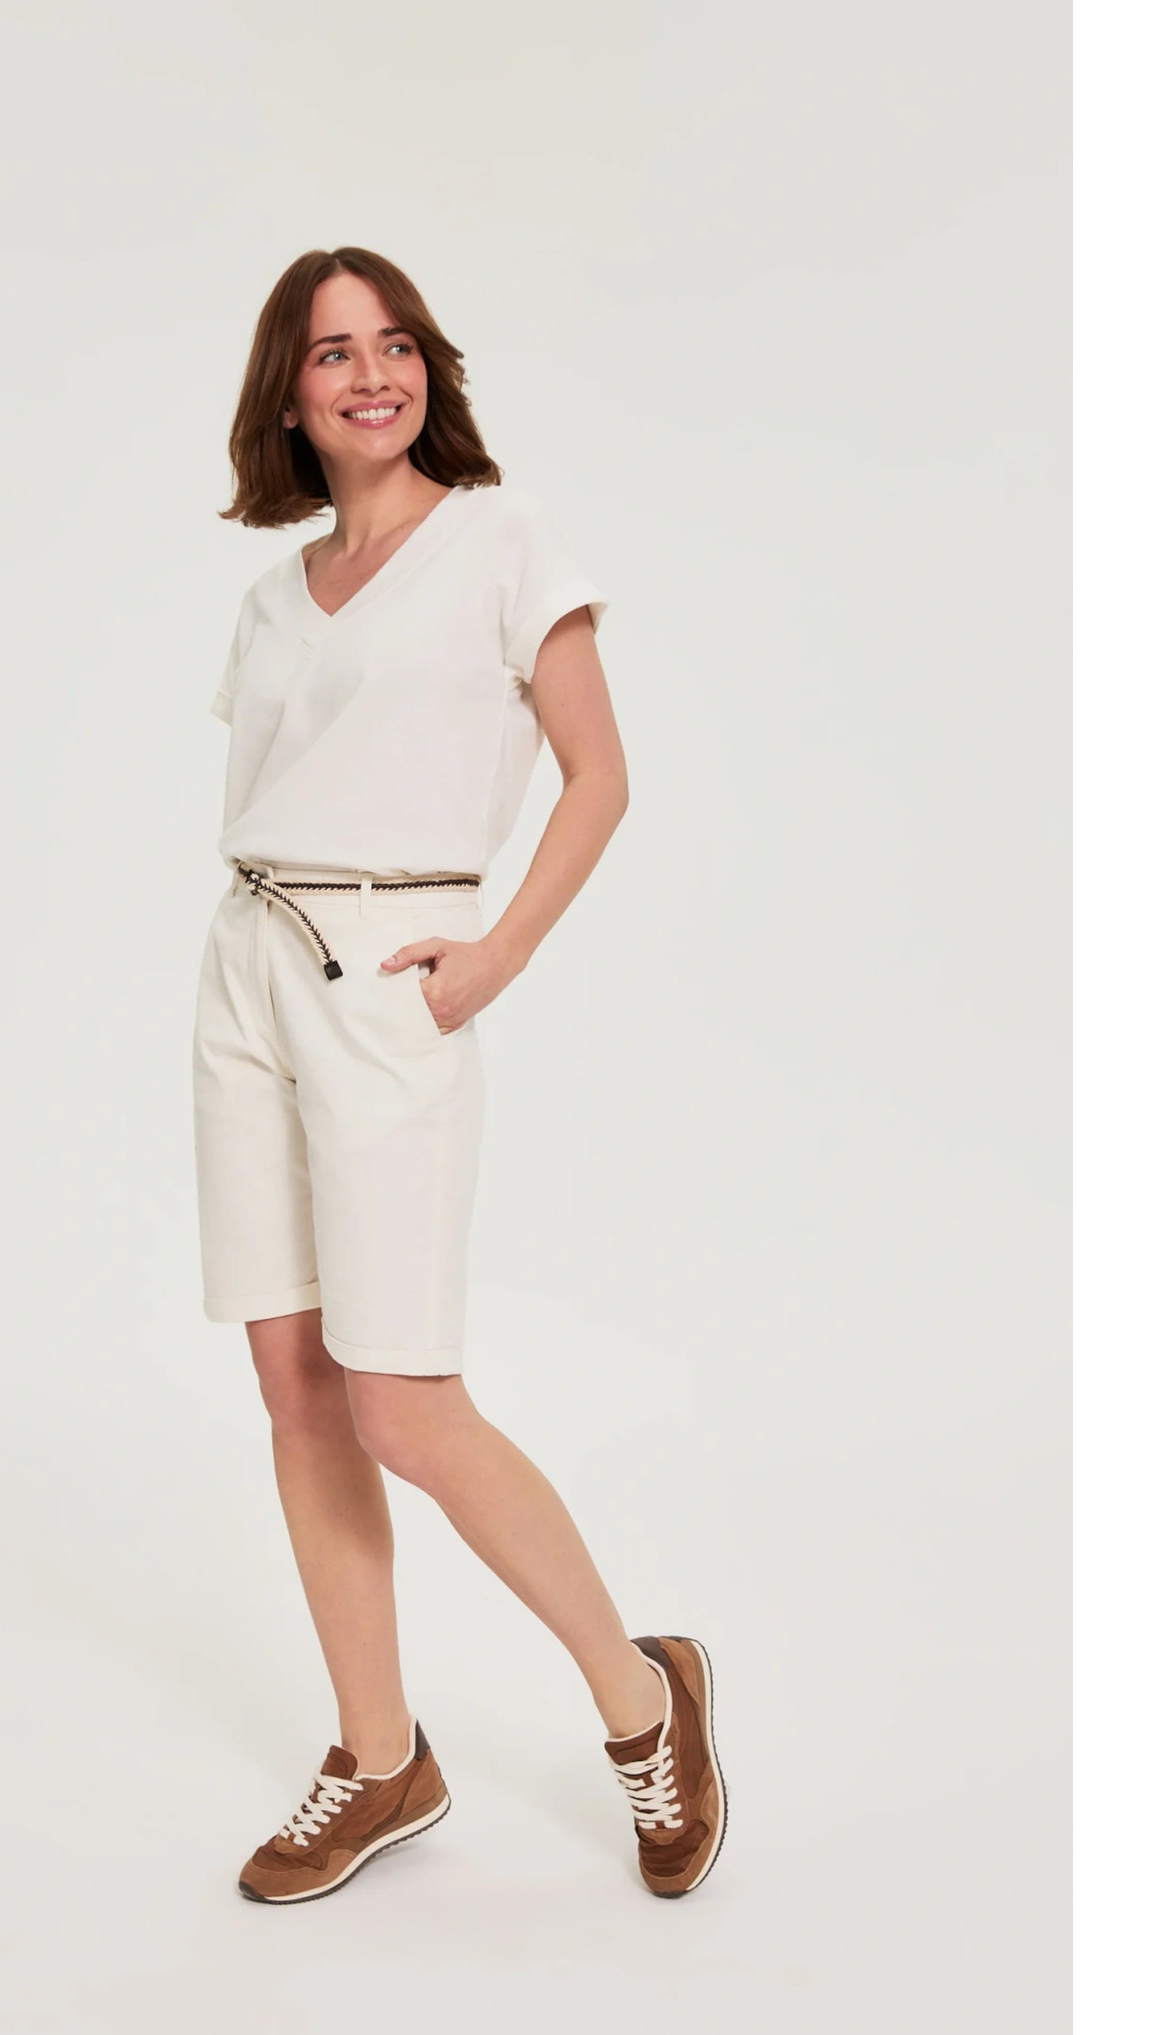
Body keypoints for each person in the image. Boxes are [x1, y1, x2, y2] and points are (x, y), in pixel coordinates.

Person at [193, 246, 725, 1906]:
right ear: (289, 395)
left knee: (402, 1402)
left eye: (396, 344)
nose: (373, 374)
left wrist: (495, 955)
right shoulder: (276, 595)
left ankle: (643, 1704)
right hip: (249, 959)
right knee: (294, 1382)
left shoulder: (500, 541)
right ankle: (380, 1756)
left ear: (429, 368)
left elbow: (598, 772)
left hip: (393, 972)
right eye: (333, 352)